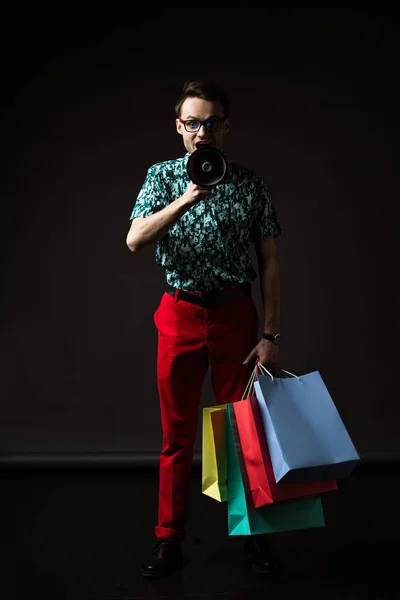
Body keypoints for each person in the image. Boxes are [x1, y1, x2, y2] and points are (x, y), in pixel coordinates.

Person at [126, 80, 282, 578]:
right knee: (177, 436)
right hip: (180, 315)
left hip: (236, 317)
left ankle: (252, 539)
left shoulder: (250, 183)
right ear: (179, 127)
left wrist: (270, 334)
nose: (202, 132)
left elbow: (270, 264)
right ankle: (169, 541)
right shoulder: (162, 178)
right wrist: (186, 199)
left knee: (241, 434)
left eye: (212, 122)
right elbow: (134, 239)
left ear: (225, 127)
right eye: (192, 122)